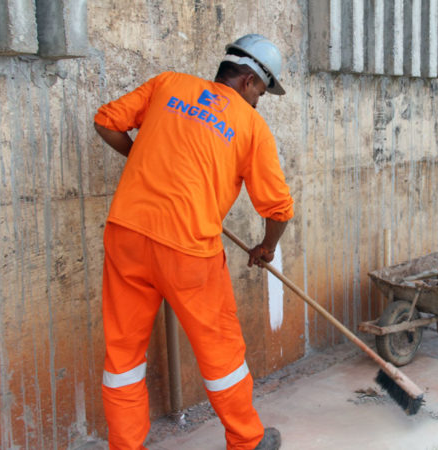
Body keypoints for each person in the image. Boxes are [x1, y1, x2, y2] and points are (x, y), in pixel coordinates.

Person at [93, 34, 293, 449]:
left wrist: (143, 158)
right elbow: (278, 209)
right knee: (221, 355)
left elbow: (106, 121)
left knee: (123, 357)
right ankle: (246, 441)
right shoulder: (250, 124)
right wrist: (266, 247)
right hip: (188, 251)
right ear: (249, 82)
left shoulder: (168, 84)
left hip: (127, 234)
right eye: (262, 92)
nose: (259, 101)